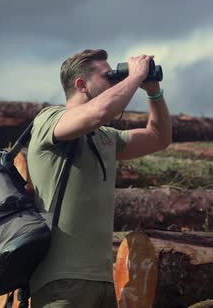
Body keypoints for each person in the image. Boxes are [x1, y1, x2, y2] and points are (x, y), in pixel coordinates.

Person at [27, 49, 172, 307]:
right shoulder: (48, 121)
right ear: (81, 85)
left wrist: (154, 91)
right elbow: (98, 112)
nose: (115, 82)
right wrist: (135, 76)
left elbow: (159, 138)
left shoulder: (105, 136)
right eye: (108, 77)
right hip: (61, 283)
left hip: (104, 283)